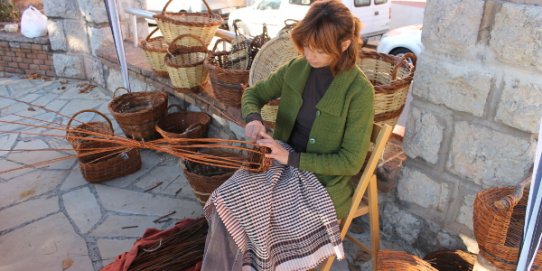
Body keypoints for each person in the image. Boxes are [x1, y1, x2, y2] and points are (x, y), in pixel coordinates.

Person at [202, 0, 374, 270]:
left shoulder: (359, 92)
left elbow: (351, 162)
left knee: (259, 216)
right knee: (226, 199)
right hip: (278, 165)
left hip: (319, 183)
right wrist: (254, 119)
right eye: (306, 46)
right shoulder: (296, 68)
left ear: (344, 45)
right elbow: (253, 93)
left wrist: (291, 158)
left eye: (319, 50)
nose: (309, 55)